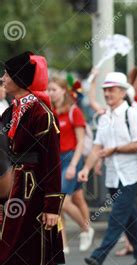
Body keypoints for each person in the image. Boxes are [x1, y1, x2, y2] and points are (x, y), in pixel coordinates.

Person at [0, 52, 74, 265]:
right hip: (14, 187)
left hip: (33, 190)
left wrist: (52, 207)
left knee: (32, 248)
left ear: (20, 78)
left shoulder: (42, 114)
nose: (3, 78)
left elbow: (53, 163)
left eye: (7, 75)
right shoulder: (13, 110)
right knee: (25, 245)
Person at [78, 72, 137, 265]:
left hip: (130, 175)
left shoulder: (131, 113)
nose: (107, 93)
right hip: (113, 176)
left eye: (111, 89)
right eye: (105, 89)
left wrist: (115, 149)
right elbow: (97, 147)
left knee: (117, 217)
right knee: (130, 218)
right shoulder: (104, 117)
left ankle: (98, 256)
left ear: (122, 92)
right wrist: (86, 168)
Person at [48, 77, 94, 253]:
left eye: (54, 89)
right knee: (62, 200)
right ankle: (62, 243)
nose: (51, 93)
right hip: (54, 160)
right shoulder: (49, 111)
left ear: (63, 90)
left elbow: (81, 142)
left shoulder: (73, 111)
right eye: (49, 90)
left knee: (60, 200)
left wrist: (74, 165)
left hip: (71, 158)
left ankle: (86, 228)